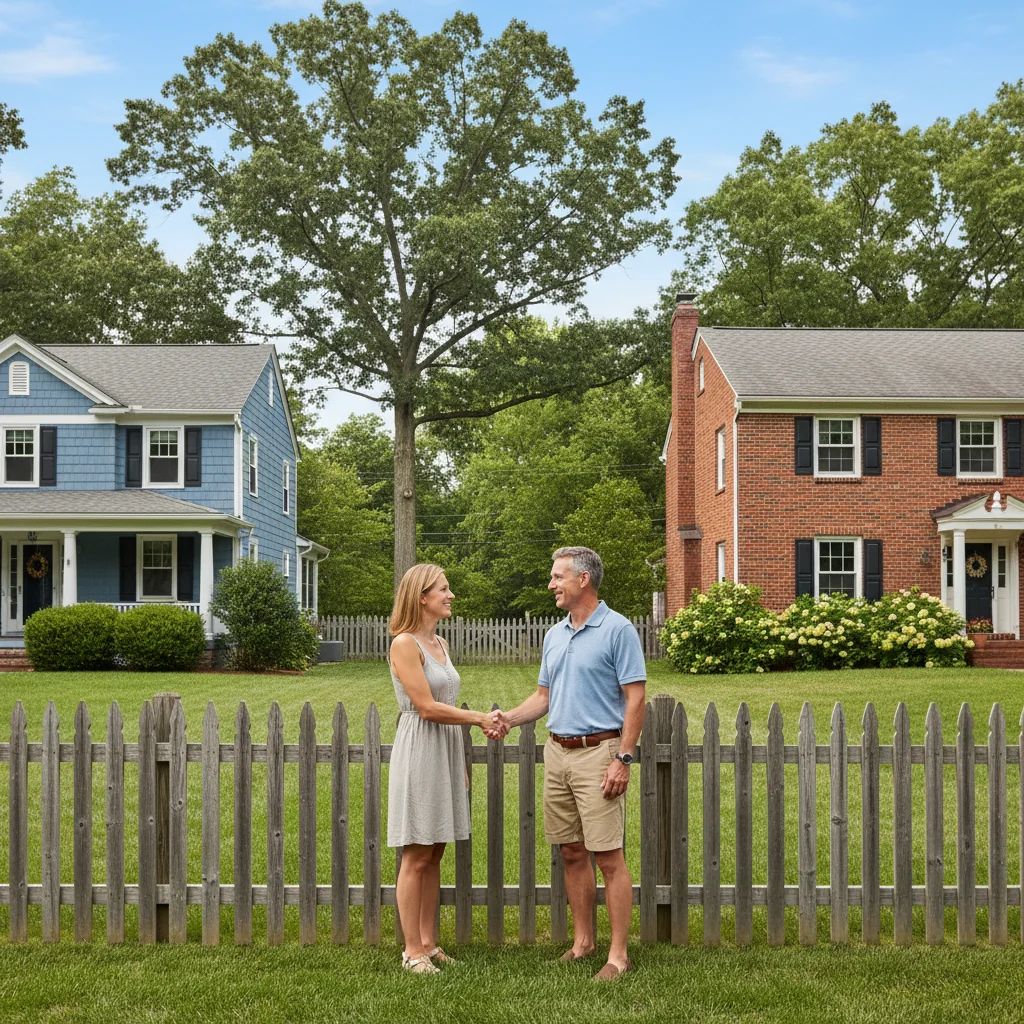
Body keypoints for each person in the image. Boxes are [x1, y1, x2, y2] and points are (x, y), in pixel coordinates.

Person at [489, 547, 646, 981]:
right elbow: (544, 696)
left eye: (558, 576)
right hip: (556, 752)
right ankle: (583, 943)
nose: (551, 584)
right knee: (571, 851)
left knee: (608, 856)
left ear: (583, 580)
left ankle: (617, 956)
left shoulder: (618, 630)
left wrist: (623, 758)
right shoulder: (555, 634)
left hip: (599, 753)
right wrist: (507, 719)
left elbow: (635, 697)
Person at [387, 562, 501, 975]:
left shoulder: (441, 643)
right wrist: (480, 719)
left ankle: (430, 944)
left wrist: (460, 764)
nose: (450, 595)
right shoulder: (404, 644)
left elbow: (444, 705)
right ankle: (412, 951)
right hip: (419, 749)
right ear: (421, 596)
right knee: (415, 854)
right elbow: (427, 707)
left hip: (445, 751)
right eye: (444, 589)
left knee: (435, 851)